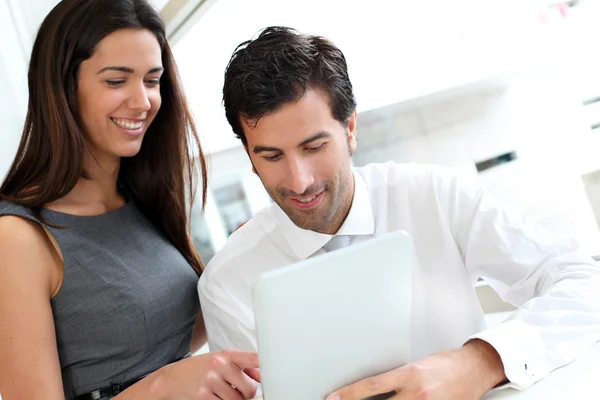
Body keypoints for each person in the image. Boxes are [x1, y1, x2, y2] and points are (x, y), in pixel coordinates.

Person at [198, 26, 600, 399]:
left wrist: (480, 361)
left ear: (350, 128)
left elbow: (584, 282)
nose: (299, 181)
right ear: (251, 159)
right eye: (271, 157)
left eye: (314, 147)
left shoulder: (434, 195)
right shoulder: (229, 283)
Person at [0, 1, 260, 399]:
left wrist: (236, 265)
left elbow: (156, 340)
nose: (142, 102)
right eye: (116, 81)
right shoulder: (17, 239)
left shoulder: (140, 198)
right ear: (62, 86)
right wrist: (162, 386)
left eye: (152, 80)